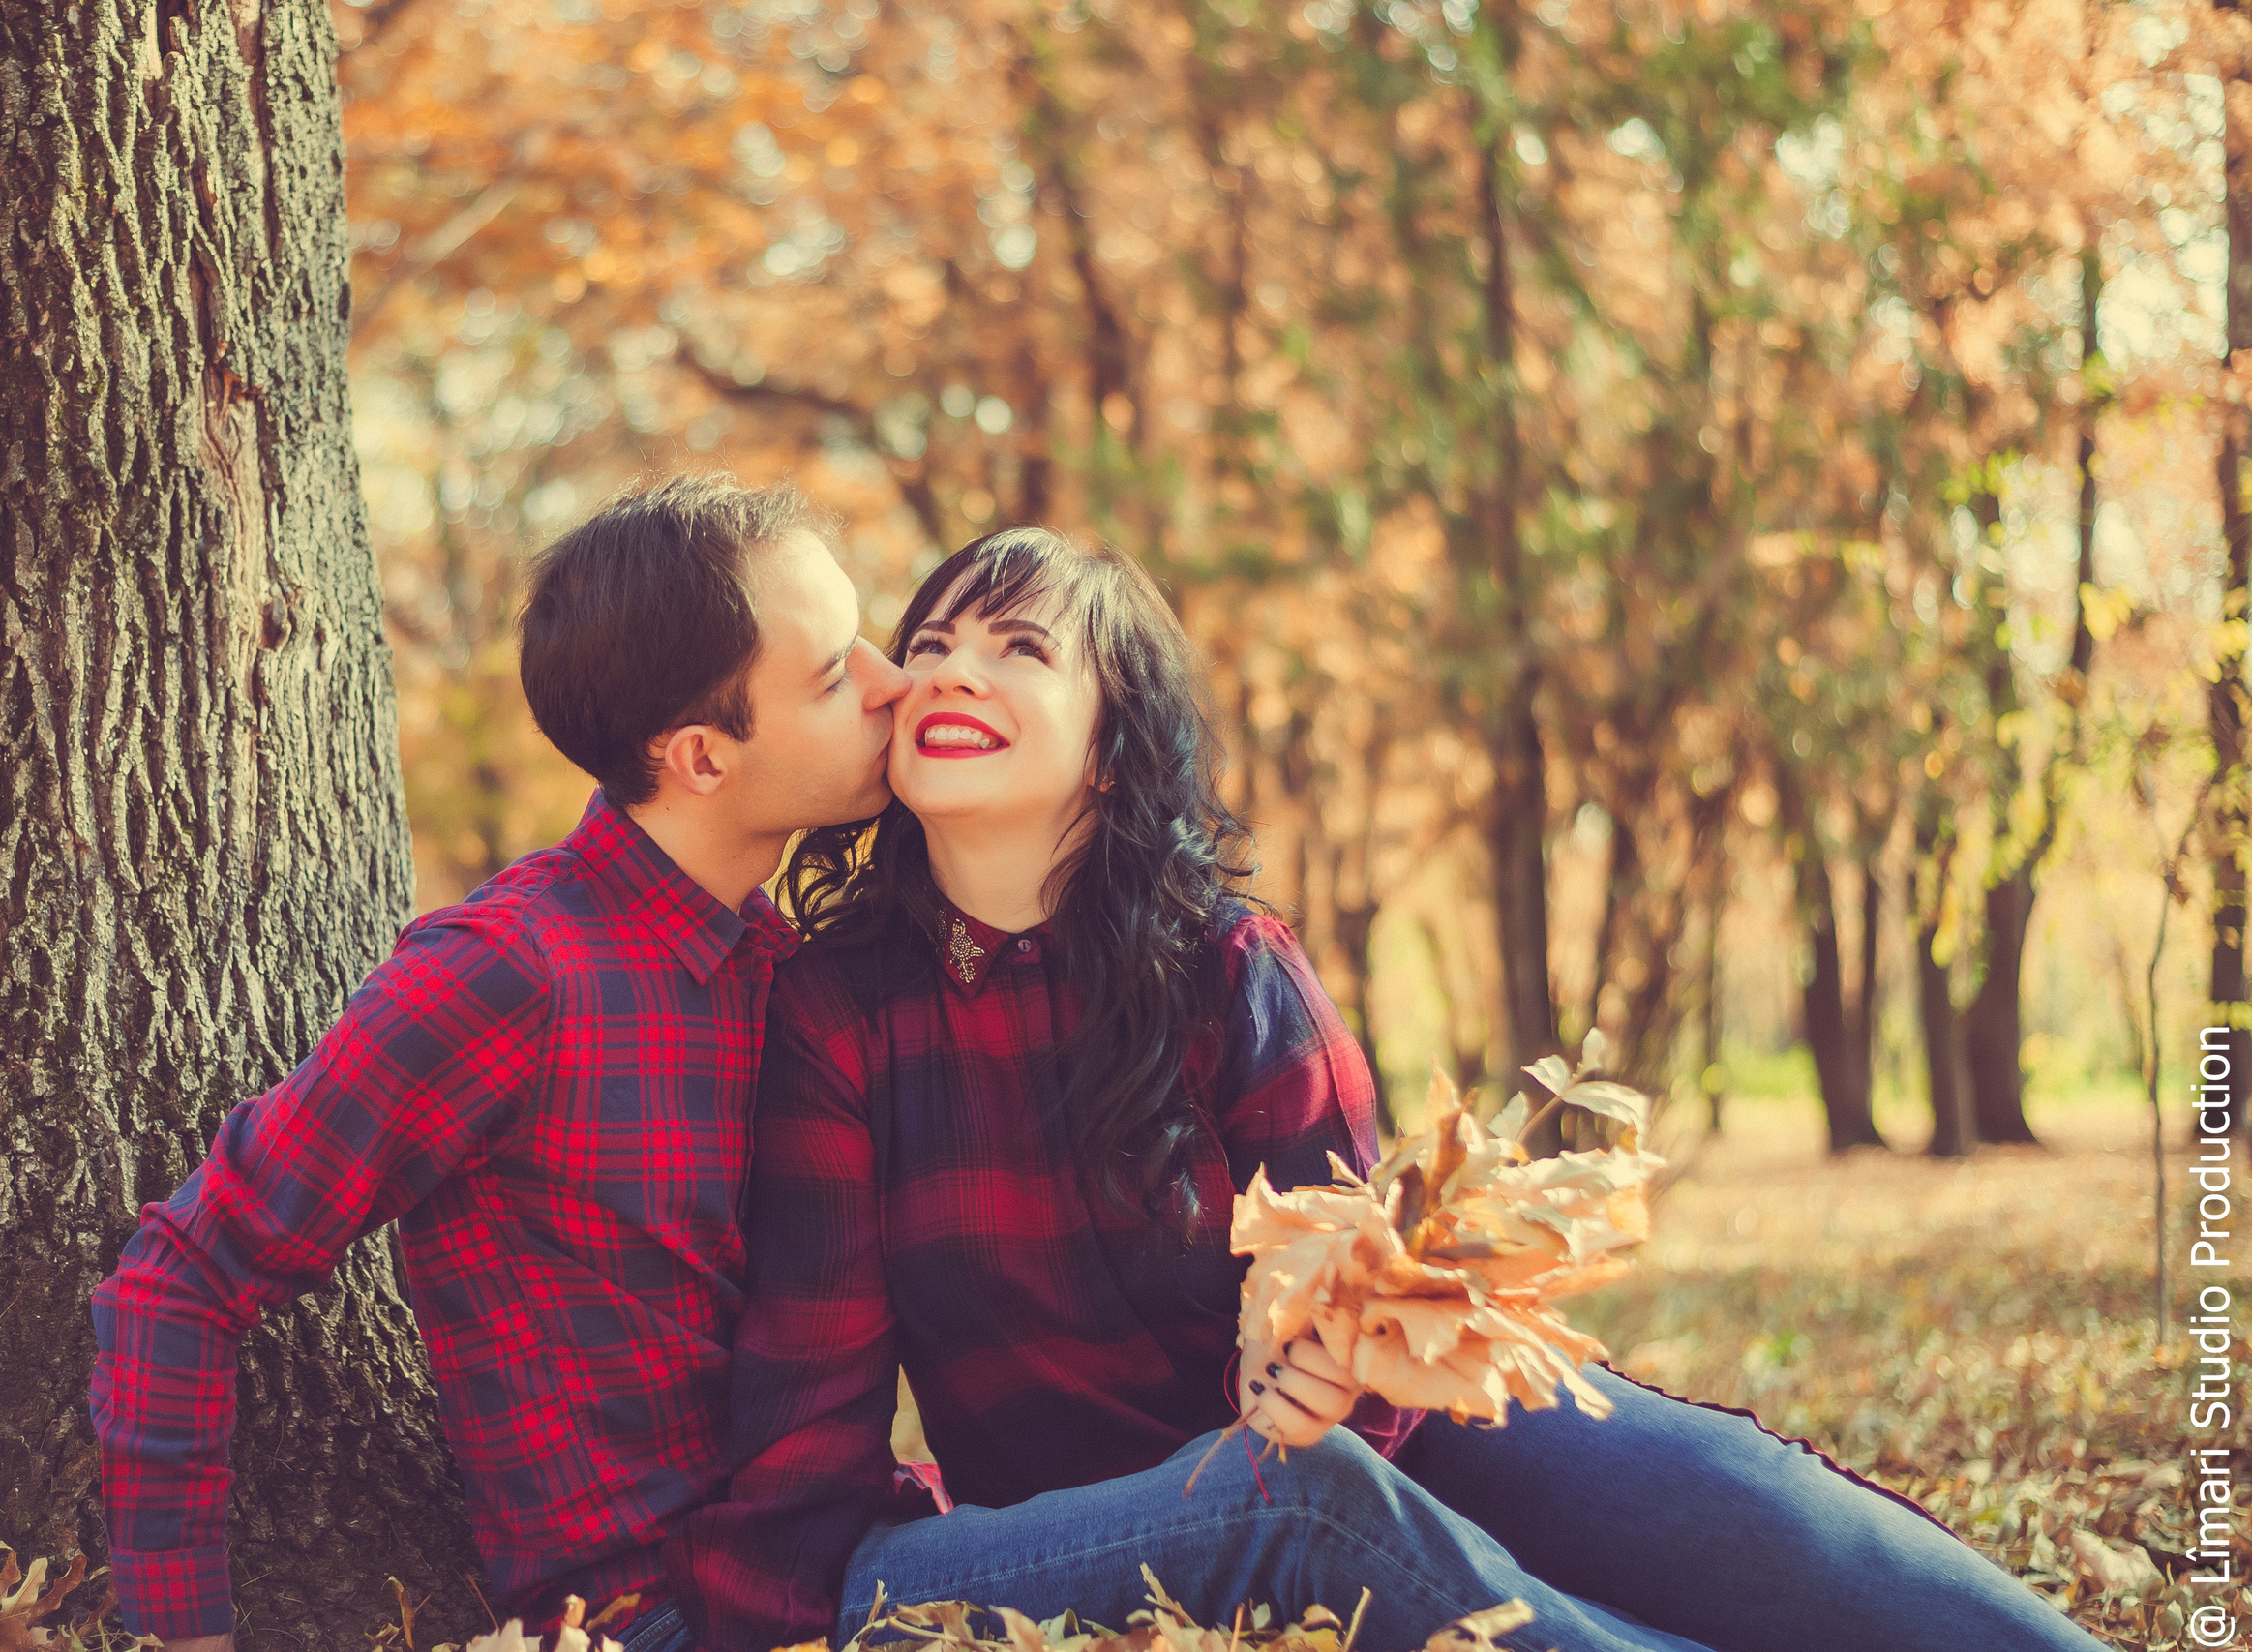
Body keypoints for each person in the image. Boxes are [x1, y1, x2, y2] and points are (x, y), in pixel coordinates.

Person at [667, 526, 2107, 1652]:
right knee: (1309, 1503)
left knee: (1747, 1504)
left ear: (1112, 742)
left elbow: (1368, 1296)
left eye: (1018, 645)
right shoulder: (840, 1008)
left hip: (1384, 1431)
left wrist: (1326, 1362)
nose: (949, 671)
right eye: (927, 643)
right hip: (1145, 1512)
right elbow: (814, 1384)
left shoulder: (1230, 968)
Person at [89, 475, 912, 1652]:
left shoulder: (781, 967)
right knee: (1273, 1510)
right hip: (661, 1613)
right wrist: (187, 1639)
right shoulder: (510, 973)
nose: (892, 681)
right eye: (835, 675)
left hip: (839, 1557)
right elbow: (180, 1278)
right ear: (701, 757)